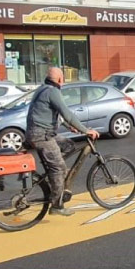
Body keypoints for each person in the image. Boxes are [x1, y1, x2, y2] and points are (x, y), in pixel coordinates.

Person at [26, 67, 99, 216]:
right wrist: (85, 130)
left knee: (69, 145)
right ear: (60, 79)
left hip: (40, 133)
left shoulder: (43, 89)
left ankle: (54, 173)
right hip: (42, 137)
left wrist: (70, 126)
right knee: (59, 168)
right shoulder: (53, 92)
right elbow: (67, 113)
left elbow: (56, 114)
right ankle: (56, 205)